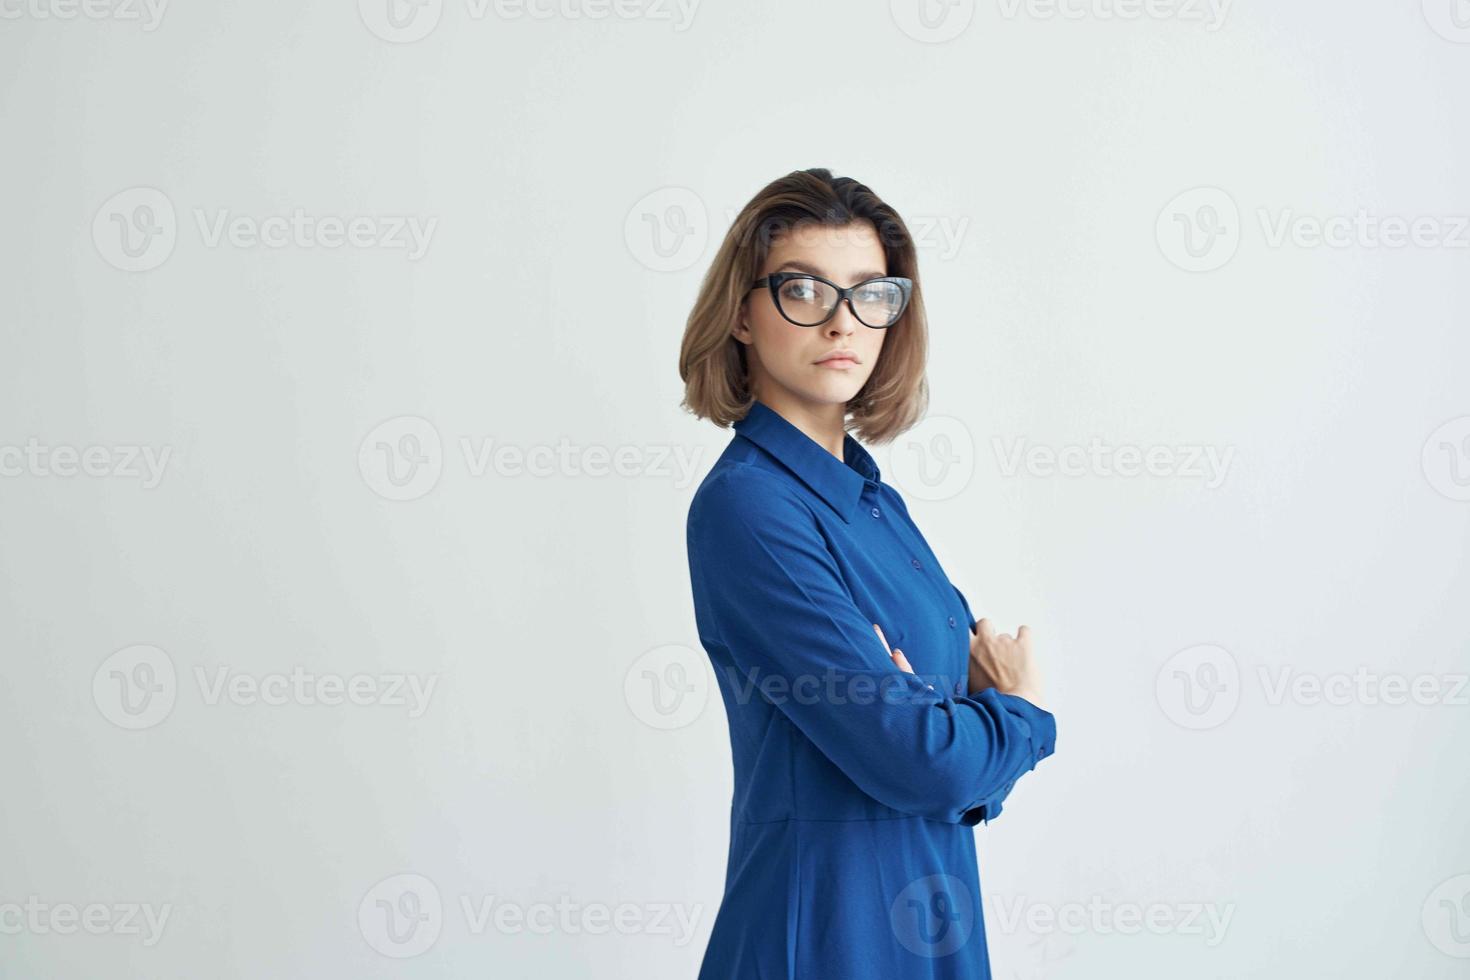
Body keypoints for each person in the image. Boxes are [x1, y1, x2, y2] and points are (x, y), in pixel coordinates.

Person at [677, 167, 1057, 979]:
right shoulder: (750, 511)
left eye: (870, 294)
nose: (842, 322)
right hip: (822, 940)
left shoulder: (874, 503)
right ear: (743, 313)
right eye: (805, 291)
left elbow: (937, 753)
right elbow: (922, 758)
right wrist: (1020, 716)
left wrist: (942, 729)